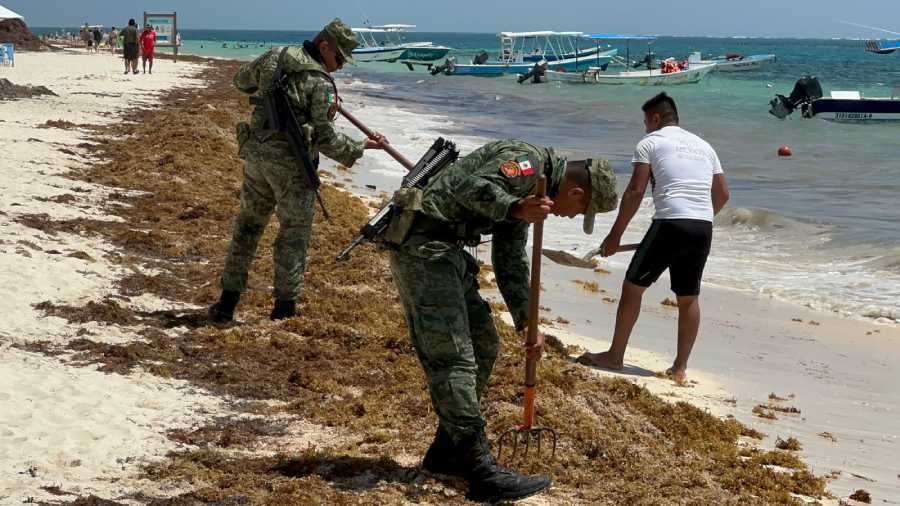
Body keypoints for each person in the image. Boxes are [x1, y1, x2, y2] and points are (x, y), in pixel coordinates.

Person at [389, 140, 618, 502]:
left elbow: (510, 256)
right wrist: (513, 208)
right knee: (454, 357)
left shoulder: (534, 193)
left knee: (483, 344)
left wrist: (526, 320)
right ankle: (477, 465)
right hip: (423, 247)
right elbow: (466, 187)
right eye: (579, 211)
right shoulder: (524, 164)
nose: (571, 217)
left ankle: (447, 451)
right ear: (576, 192)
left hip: (446, 251)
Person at [208, 18, 386, 323]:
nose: (340, 66)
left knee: (248, 228)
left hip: (258, 156)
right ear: (324, 46)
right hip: (292, 168)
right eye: (339, 58)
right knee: (293, 236)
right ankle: (284, 310)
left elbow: (241, 81)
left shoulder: (276, 55)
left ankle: (226, 303)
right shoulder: (320, 83)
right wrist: (363, 146)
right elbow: (326, 138)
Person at [577, 93, 730, 385]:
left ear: (656, 118)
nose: (645, 127)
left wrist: (614, 236)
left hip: (670, 222)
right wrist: (698, 217)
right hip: (702, 226)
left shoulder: (650, 143)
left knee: (633, 287)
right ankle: (680, 368)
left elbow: (635, 191)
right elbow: (722, 195)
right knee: (688, 298)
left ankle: (615, 356)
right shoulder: (705, 146)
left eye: (646, 121)